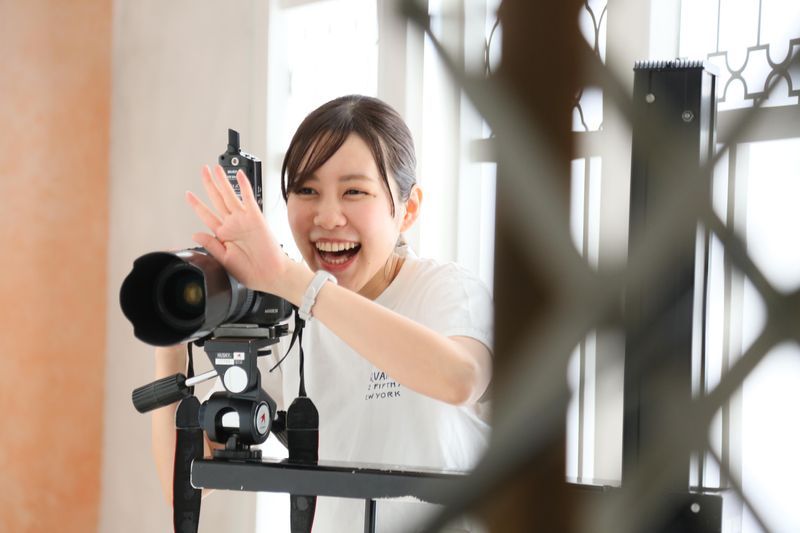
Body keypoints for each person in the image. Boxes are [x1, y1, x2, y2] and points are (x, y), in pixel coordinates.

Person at [151, 95, 493, 532]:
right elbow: (185, 481)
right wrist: (171, 342)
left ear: (408, 209)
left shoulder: (446, 291)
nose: (328, 217)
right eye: (307, 190)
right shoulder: (282, 316)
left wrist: (293, 281)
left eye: (355, 191)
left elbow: (460, 379)